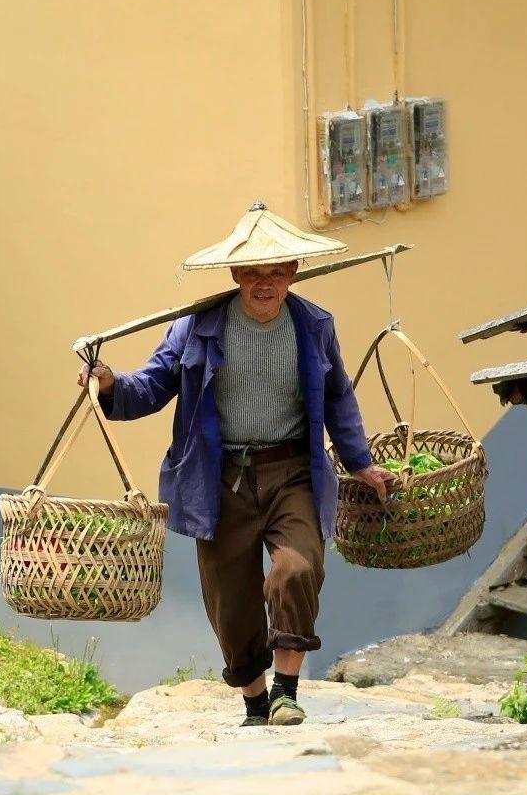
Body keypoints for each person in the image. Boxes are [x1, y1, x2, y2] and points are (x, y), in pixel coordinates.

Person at [79, 204, 395, 726]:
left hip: (291, 468)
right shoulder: (198, 326)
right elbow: (155, 384)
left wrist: (360, 463)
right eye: (252, 271)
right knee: (230, 597)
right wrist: (112, 385)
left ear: (294, 272)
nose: (264, 282)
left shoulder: (313, 326)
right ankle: (254, 702)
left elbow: (338, 397)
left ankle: (286, 691)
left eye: (276, 270)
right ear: (234, 274)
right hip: (218, 475)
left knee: (297, 568)